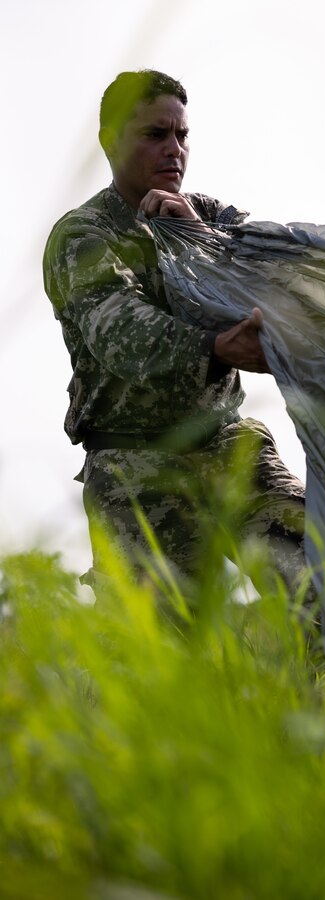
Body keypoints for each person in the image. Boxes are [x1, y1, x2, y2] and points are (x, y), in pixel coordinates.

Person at [43, 69, 311, 610]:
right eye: (155, 135)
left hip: (226, 441)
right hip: (134, 461)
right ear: (111, 140)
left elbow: (276, 270)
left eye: (182, 136)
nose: (174, 150)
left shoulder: (206, 215)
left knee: (319, 582)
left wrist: (198, 236)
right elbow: (120, 331)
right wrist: (213, 349)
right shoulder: (83, 235)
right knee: (162, 642)